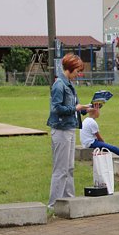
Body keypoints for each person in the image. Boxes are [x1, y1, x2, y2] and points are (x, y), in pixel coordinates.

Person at [47, 53, 90, 207]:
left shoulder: (70, 84)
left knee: (69, 167)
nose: (79, 74)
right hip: (61, 130)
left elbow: (75, 107)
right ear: (70, 69)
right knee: (60, 169)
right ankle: (54, 204)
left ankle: (69, 199)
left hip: (70, 128)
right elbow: (57, 108)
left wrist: (87, 109)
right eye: (77, 71)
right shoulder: (59, 85)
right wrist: (75, 108)